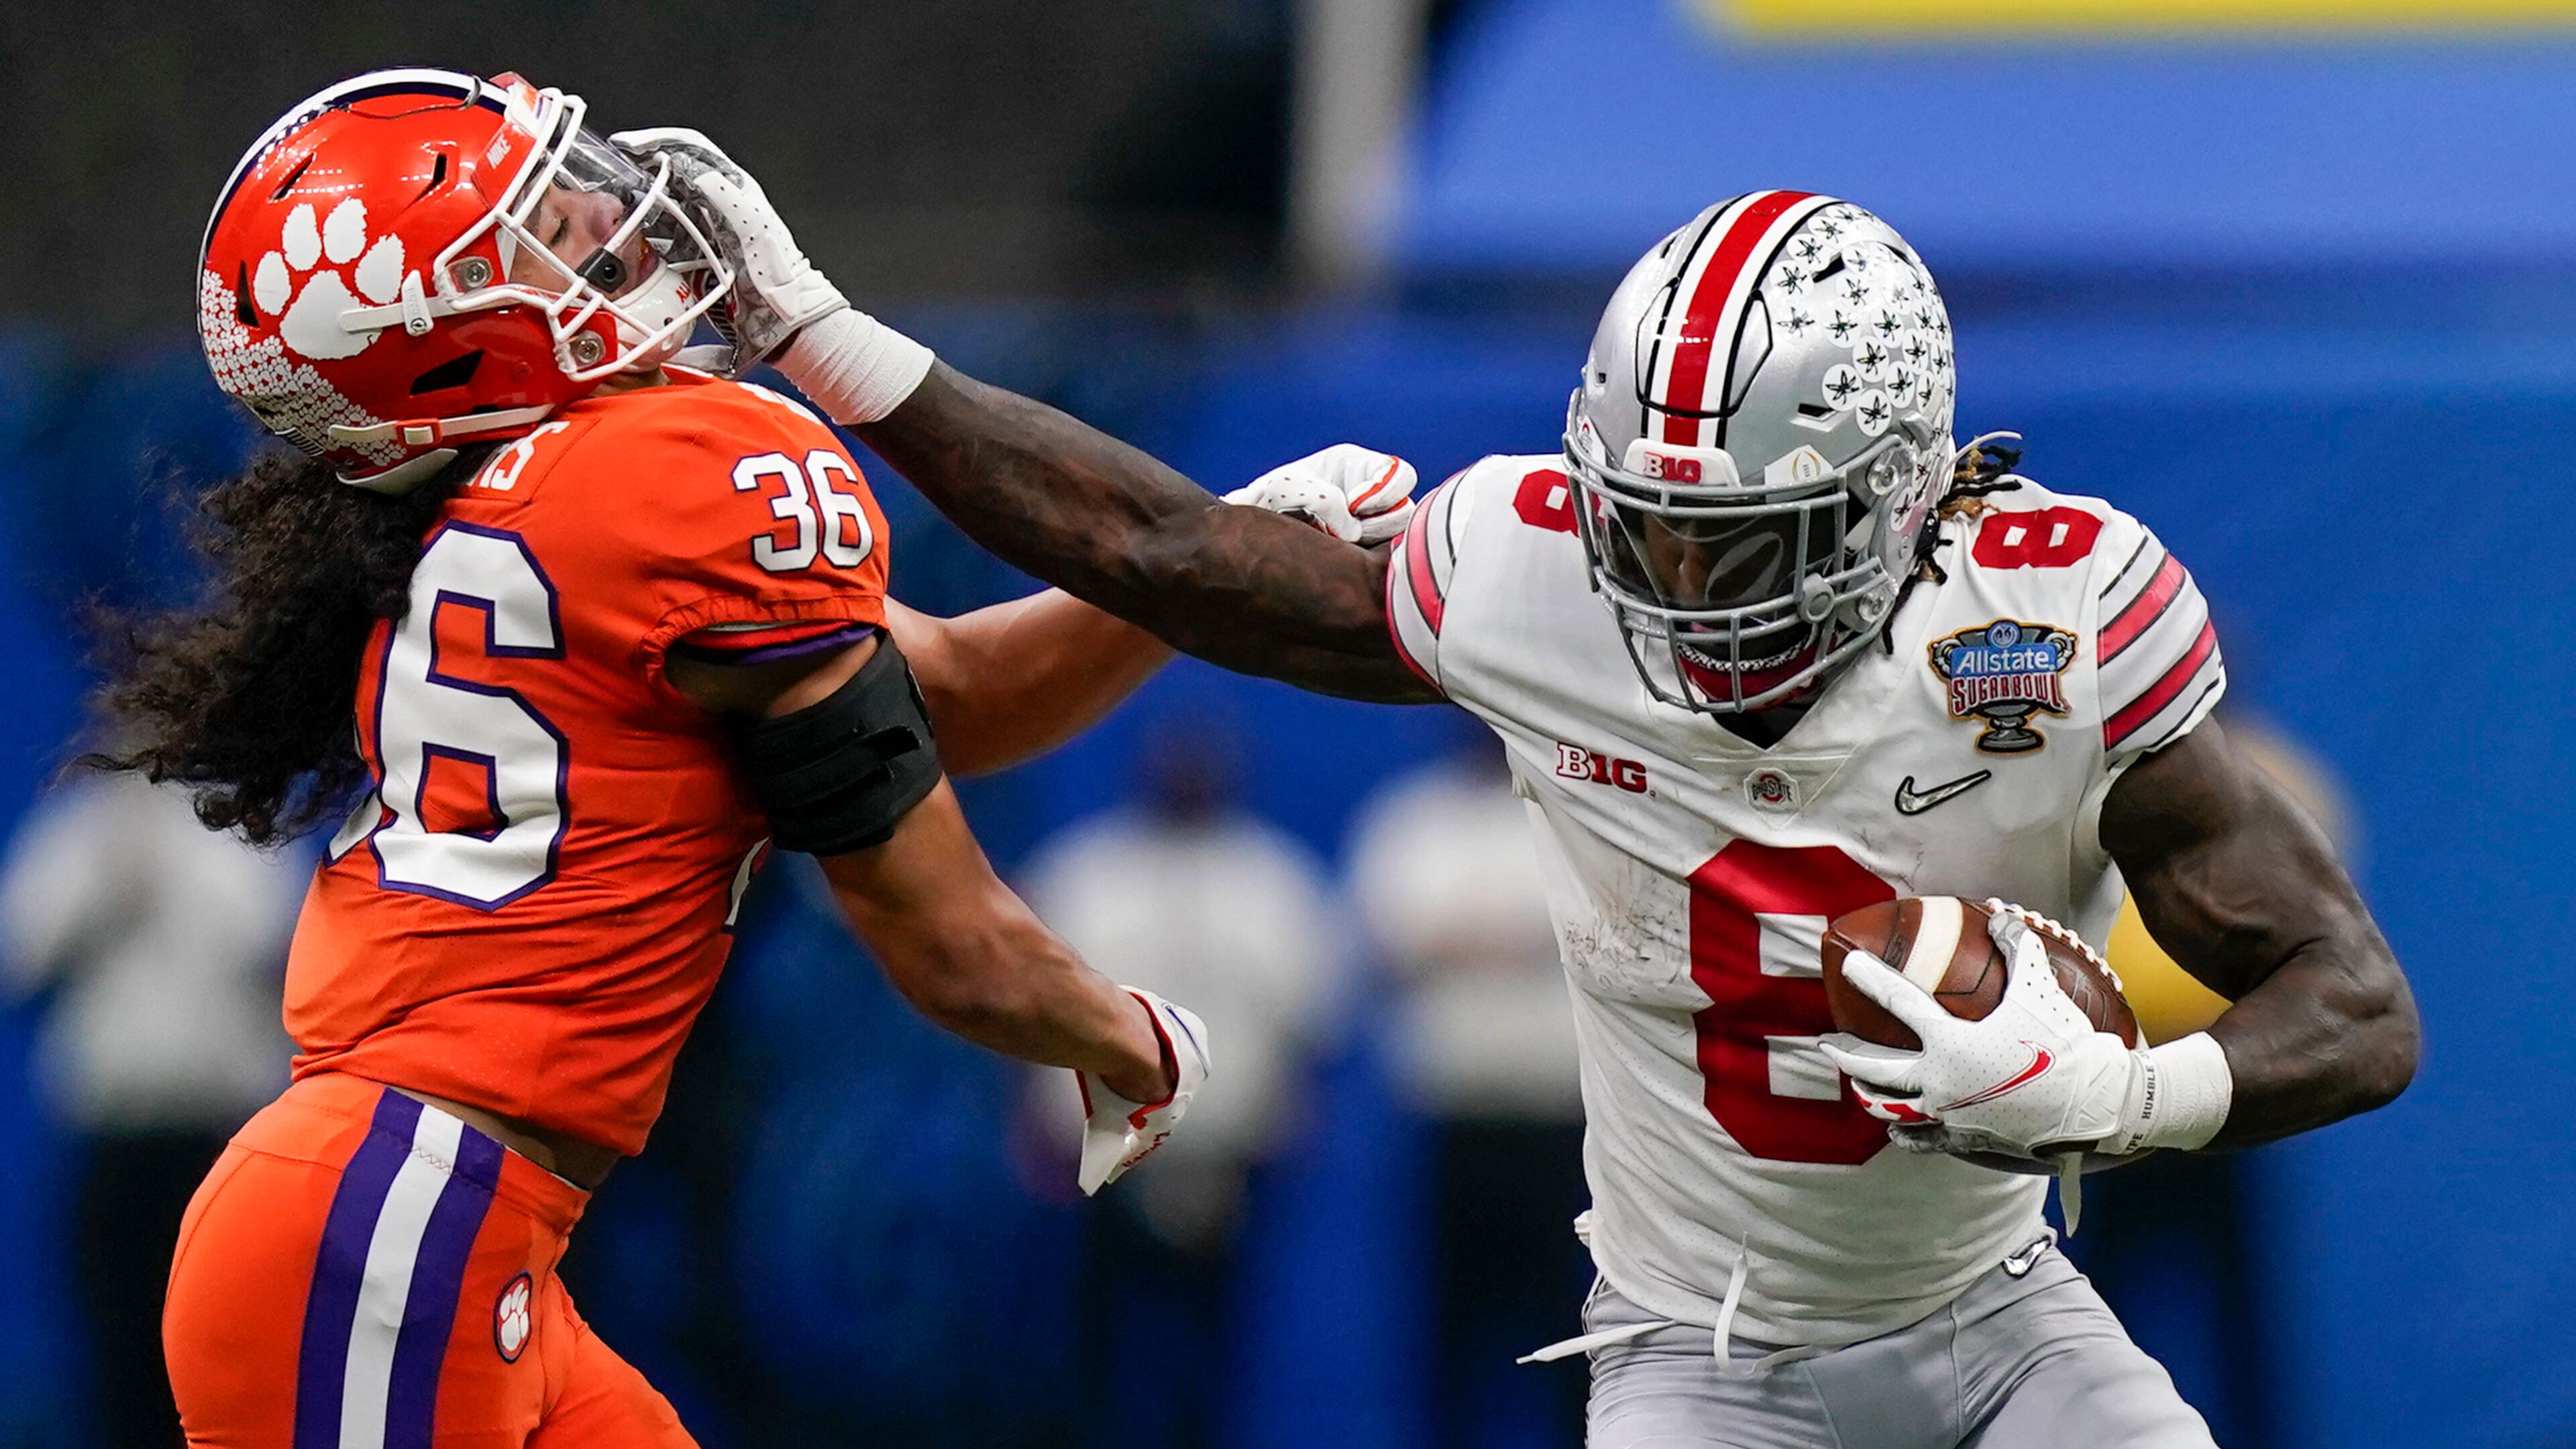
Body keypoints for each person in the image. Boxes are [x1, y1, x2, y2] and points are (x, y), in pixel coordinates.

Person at [641, 153, 2422, 1448]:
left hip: (2007, 1324)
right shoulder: (1535, 575)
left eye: (1735, 548)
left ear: (1890, 504)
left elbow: (2354, 1003)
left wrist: (2122, 1097)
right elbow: (1162, 549)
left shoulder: (2057, 618)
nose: (1666, 585)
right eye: (1645, 524)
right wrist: (826, 335)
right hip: (1696, 1360)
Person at [100, 69, 1398, 1449]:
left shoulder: (539, 504)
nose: (606, 211)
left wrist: (1204, 561)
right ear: (448, 341)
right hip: (399, 1224)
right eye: (536, 227)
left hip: (437, 1222)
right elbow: (939, 932)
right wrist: (1124, 1038)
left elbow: (947, 690)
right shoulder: (676, 471)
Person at [1021, 725, 1344, 1448]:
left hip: (1230, 1154)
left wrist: (1294, 1121)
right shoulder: (1082, 871)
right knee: (1097, 1342)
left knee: (1219, 1345)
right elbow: (1026, 1013)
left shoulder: (1273, 881)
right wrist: (1031, 1122)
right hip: (1099, 1155)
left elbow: (1312, 1023)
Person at [0, 771, 304, 1449]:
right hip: (115, 1145)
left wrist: (177, 856)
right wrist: (110, 860)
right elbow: (21, 957)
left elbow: (266, 942)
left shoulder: (242, 829)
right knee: (120, 1357)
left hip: (220, 1148)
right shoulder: (83, 830)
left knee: (226, 1360)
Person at [1344, 722, 1589, 1446]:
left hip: (1560, 1130)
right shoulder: (1412, 821)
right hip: (1455, 1122)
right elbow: (1386, 943)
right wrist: (1523, 939)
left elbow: (1608, 931)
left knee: (1568, 1324)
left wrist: (1462, 942)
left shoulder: (1574, 818)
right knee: (1450, 1325)